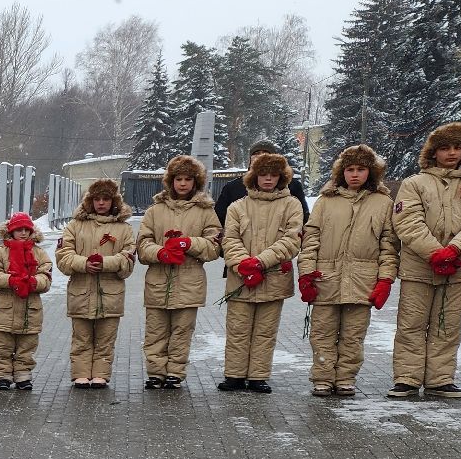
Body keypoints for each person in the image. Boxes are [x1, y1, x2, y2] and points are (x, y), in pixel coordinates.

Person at [388, 122, 461, 399]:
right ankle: (407, 378)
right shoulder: (414, 183)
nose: (451, 153)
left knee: (446, 326)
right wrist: (435, 252)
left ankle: (440, 378)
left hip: (458, 269)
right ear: (433, 152)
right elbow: (407, 221)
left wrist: (455, 249)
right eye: (445, 147)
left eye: (457, 147)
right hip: (418, 267)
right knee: (411, 324)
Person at [299, 144, 397, 396]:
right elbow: (311, 239)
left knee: (353, 335)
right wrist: (306, 274)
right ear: (341, 172)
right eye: (350, 169)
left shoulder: (383, 203)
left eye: (361, 169)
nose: (355, 174)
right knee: (322, 333)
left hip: (362, 281)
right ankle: (322, 377)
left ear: (370, 172)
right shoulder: (326, 201)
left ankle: (345, 377)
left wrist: (385, 279)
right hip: (326, 279)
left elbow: (389, 245)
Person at [218, 151, 303, 393]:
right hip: (240, 278)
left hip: (273, 278)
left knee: (265, 331)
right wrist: (242, 263)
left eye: (273, 175)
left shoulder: (292, 205)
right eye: (263, 174)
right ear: (253, 176)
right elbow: (230, 238)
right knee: (237, 329)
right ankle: (234, 375)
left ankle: (258, 376)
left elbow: (292, 240)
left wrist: (261, 262)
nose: (268, 179)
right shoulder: (238, 206)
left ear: (281, 177)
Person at [135, 155, 222, 389]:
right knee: (155, 331)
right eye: (178, 179)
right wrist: (160, 253)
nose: (183, 184)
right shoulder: (155, 211)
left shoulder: (206, 211)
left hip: (189, 282)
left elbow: (214, 246)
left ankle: (175, 372)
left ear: (196, 182)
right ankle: (155, 372)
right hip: (158, 282)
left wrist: (189, 243)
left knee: (182, 331)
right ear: (170, 181)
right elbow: (142, 244)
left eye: (188, 179)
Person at [53, 179, 135, 388]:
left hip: (111, 294)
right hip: (81, 293)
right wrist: (84, 264)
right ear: (90, 201)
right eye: (97, 199)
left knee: (105, 339)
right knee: (81, 337)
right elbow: (63, 256)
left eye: (105, 199)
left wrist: (106, 263)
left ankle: (101, 373)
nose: (101, 203)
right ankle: (80, 373)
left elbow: (128, 260)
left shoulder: (124, 229)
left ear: (113, 201)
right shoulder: (74, 226)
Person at [0, 212, 50, 391]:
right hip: (4, 311)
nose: (23, 233)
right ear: (10, 231)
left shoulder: (39, 253)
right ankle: (2, 375)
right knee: (2, 347)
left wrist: (33, 282)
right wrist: (11, 280)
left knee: (26, 347)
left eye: (26, 230)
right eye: (18, 230)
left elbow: (46, 277)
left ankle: (23, 375)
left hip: (30, 311)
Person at [215, 139, 310, 224]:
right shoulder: (233, 187)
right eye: (256, 153)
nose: (260, 156)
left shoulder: (292, 186)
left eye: (265, 152)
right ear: (250, 159)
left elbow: (303, 219)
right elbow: (220, 219)